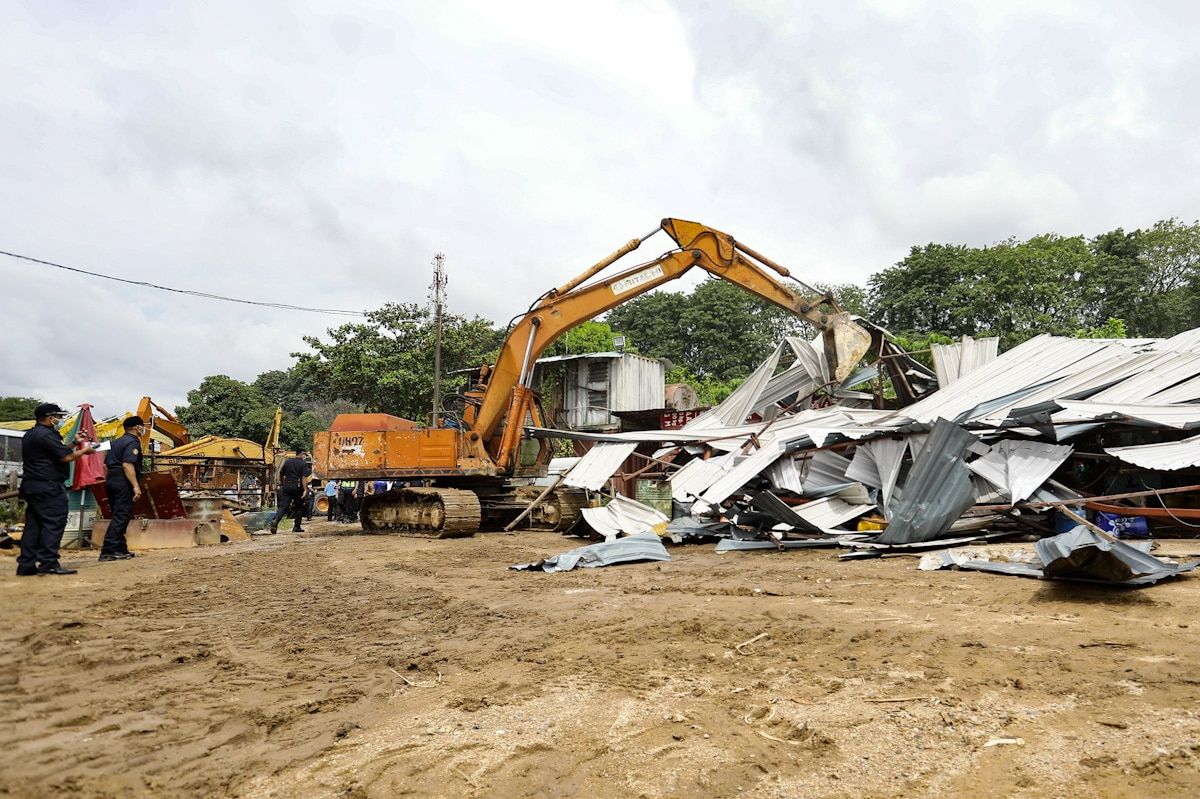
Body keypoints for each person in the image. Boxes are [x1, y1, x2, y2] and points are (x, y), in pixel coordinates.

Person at [16, 403, 98, 576]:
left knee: (34, 525)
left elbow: (58, 452)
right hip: (48, 486)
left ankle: (26, 564)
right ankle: (49, 563)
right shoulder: (46, 435)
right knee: (54, 523)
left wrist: (75, 443)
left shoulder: (31, 435)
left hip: (32, 485)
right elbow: (66, 457)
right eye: (58, 417)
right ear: (50, 417)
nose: (59, 420)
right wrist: (85, 451)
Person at [99, 415, 146, 562]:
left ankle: (120, 549)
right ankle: (108, 550)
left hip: (112, 480)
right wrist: (135, 486)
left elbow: (106, 465)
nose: (143, 428)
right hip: (123, 481)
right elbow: (127, 464)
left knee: (118, 515)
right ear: (136, 427)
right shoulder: (132, 442)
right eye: (142, 426)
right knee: (121, 516)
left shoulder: (117, 442)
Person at [270, 451, 312, 533]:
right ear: (302, 454)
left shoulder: (288, 461)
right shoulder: (303, 464)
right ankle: (297, 526)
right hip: (297, 487)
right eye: (305, 455)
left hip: (287, 487)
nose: (305, 457)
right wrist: (305, 490)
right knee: (299, 507)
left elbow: (281, 474)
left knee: (283, 506)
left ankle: (275, 520)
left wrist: (282, 484)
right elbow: (304, 478)